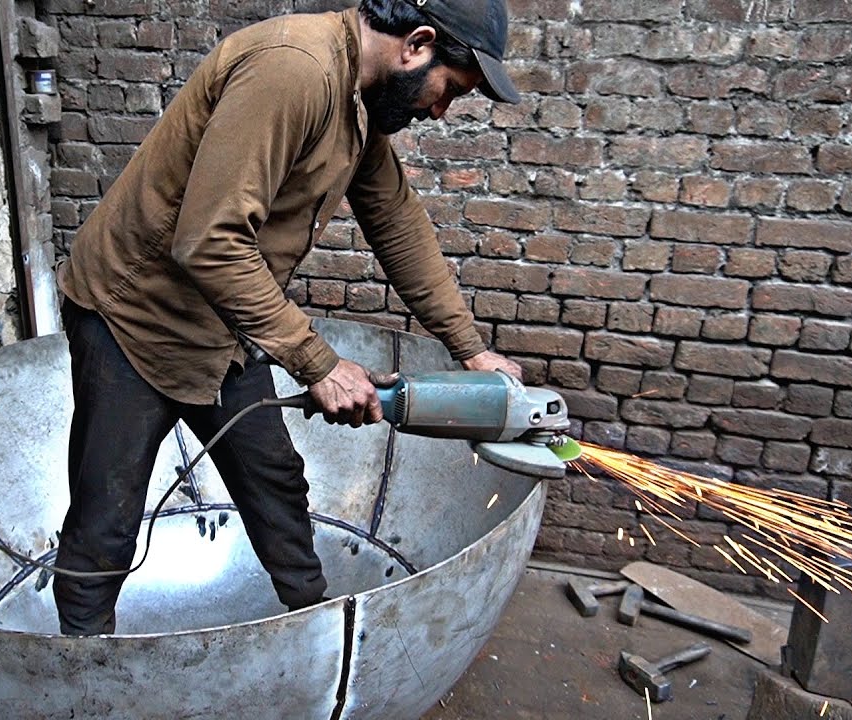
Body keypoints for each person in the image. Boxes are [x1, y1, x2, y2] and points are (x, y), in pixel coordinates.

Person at [54, 0, 526, 636]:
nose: (438, 110)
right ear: (416, 45)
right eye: (450, 90)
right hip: (132, 319)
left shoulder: (358, 98)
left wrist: (469, 348)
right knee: (105, 518)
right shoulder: (292, 69)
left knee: (274, 481)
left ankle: (316, 632)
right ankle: (83, 661)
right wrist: (318, 364)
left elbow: (395, 222)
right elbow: (209, 242)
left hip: (224, 323)